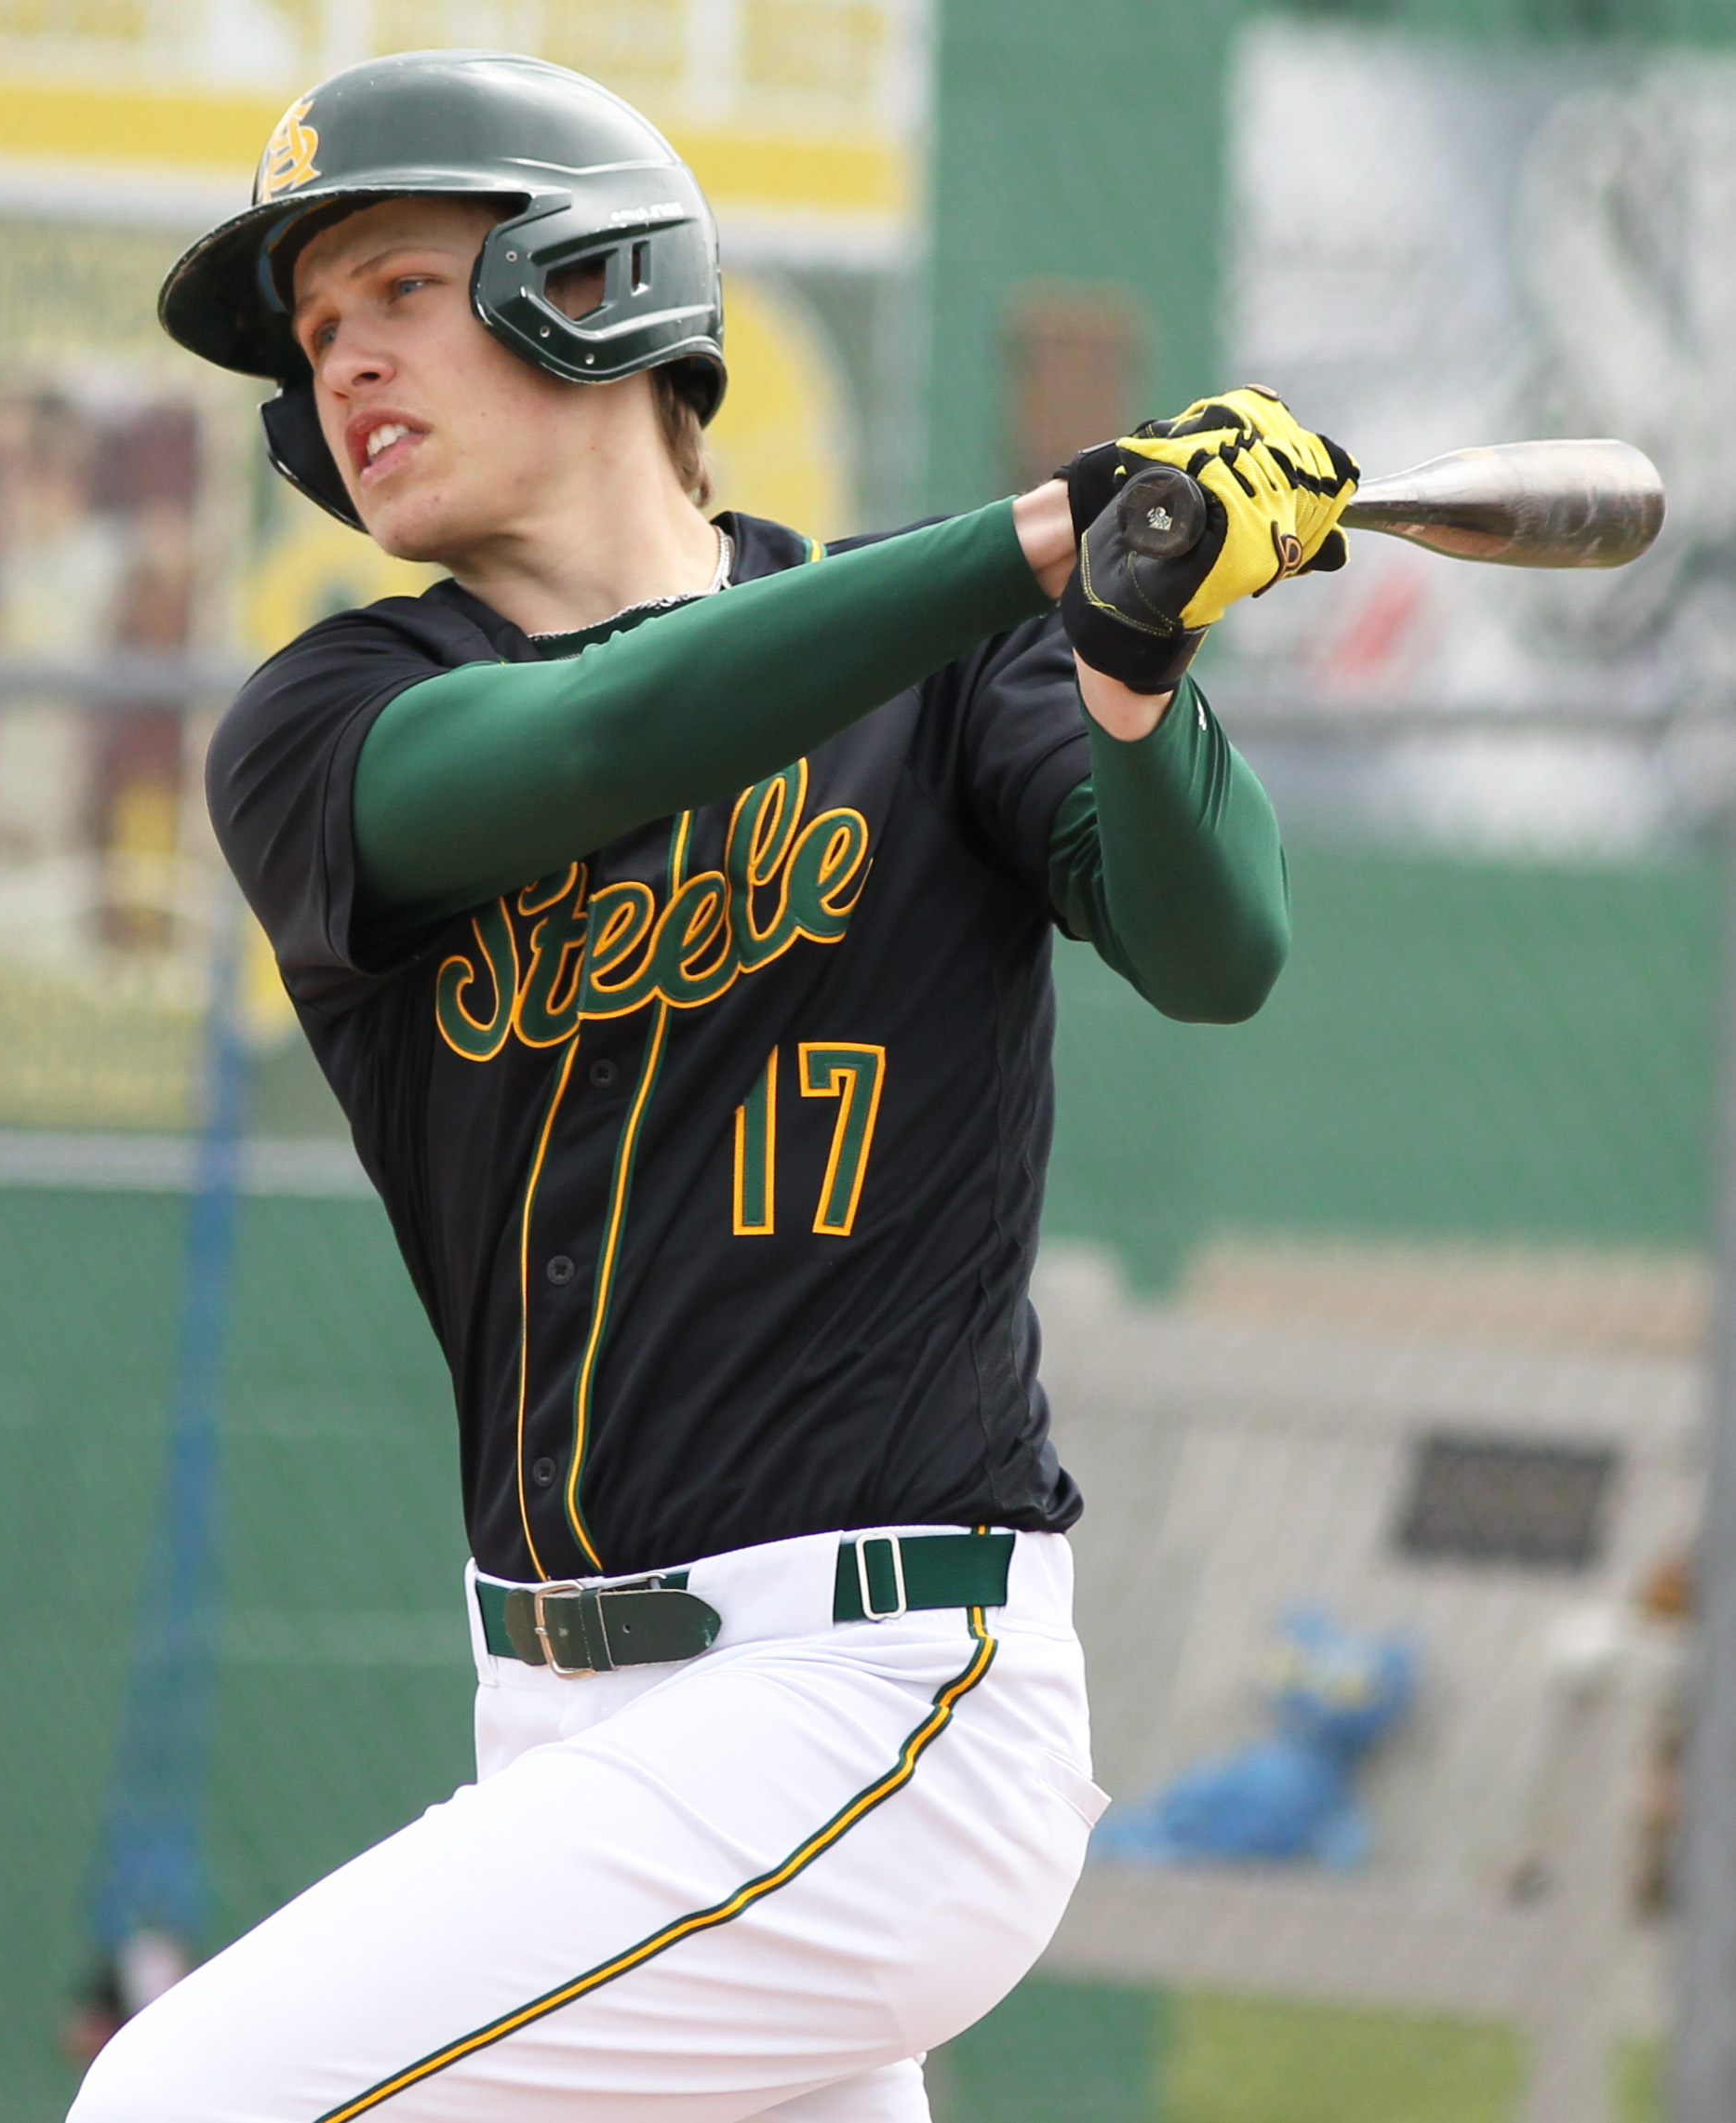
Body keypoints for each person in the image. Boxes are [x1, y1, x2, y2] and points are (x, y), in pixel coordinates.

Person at [71, 47, 1353, 2123]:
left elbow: (1220, 952)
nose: (342, 367)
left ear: (587, 286)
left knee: (184, 2103)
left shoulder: (964, 671)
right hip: (563, 1720)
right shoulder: (332, 717)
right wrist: (1037, 530)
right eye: (313, 337)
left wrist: (1125, 660)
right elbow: (595, 748)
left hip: (875, 1697)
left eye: (393, 288)